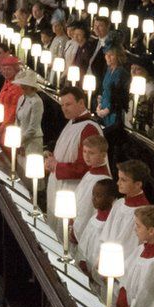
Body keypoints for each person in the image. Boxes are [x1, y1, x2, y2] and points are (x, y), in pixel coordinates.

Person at [43, 86, 98, 224]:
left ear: (81, 103)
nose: (64, 108)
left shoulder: (89, 128)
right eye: (62, 105)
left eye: (68, 104)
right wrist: (52, 156)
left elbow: (84, 167)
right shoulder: (72, 122)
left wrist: (56, 165)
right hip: (60, 186)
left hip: (72, 190)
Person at [100, 159, 151, 262]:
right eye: (119, 178)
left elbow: (132, 246)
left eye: (123, 180)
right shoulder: (119, 203)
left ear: (138, 184)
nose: (118, 183)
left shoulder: (144, 213)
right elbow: (107, 233)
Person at [71, 132, 112, 245]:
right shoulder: (90, 173)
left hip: (85, 230)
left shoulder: (101, 180)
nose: (86, 156)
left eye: (91, 153)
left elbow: (87, 209)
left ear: (103, 155)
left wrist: (76, 231)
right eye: (84, 152)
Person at [76, 178, 119, 279]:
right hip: (86, 269)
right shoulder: (94, 217)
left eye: (99, 196)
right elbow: (84, 242)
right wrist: (83, 262)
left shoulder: (110, 224)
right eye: (93, 194)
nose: (94, 198)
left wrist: (95, 273)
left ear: (111, 198)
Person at [130, 59, 154, 144]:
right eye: (132, 68)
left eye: (138, 69)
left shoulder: (152, 92)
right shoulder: (132, 85)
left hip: (148, 138)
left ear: (147, 72)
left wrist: (144, 136)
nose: (133, 72)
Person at [12, 66, 44, 155]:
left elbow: (33, 128)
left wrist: (20, 141)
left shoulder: (37, 102)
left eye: (25, 87)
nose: (23, 89)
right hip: (20, 140)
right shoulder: (21, 98)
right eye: (22, 87)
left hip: (33, 142)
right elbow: (17, 120)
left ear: (32, 87)